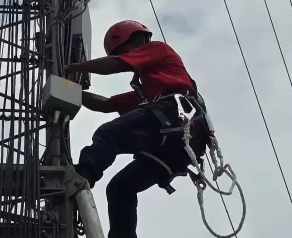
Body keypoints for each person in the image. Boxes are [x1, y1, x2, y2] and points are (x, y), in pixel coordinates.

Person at [64, 20, 210, 238]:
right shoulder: (153, 89)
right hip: (177, 147)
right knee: (120, 188)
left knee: (108, 134)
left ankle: (83, 173)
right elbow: (106, 105)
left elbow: (115, 65)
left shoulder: (158, 50)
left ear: (136, 40)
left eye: (124, 51)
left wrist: (72, 68)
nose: (128, 57)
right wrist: (71, 90)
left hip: (174, 122)